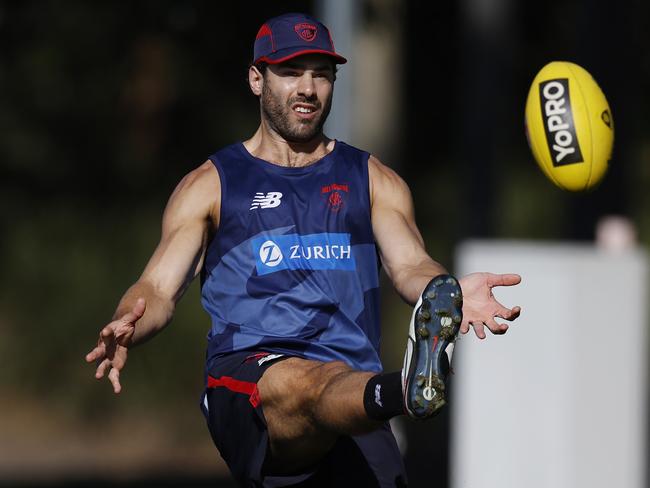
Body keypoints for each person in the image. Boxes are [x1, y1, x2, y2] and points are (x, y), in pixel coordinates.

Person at [85, 12, 521, 487]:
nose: (308, 89)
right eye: (291, 72)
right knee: (306, 383)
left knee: (335, 386)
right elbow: (158, 287)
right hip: (250, 376)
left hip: (354, 392)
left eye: (321, 74)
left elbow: (410, 263)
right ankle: (402, 390)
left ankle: (399, 390)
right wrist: (130, 318)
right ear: (257, 79)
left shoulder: (373, 180)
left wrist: (444, 289)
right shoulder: (211, 185)